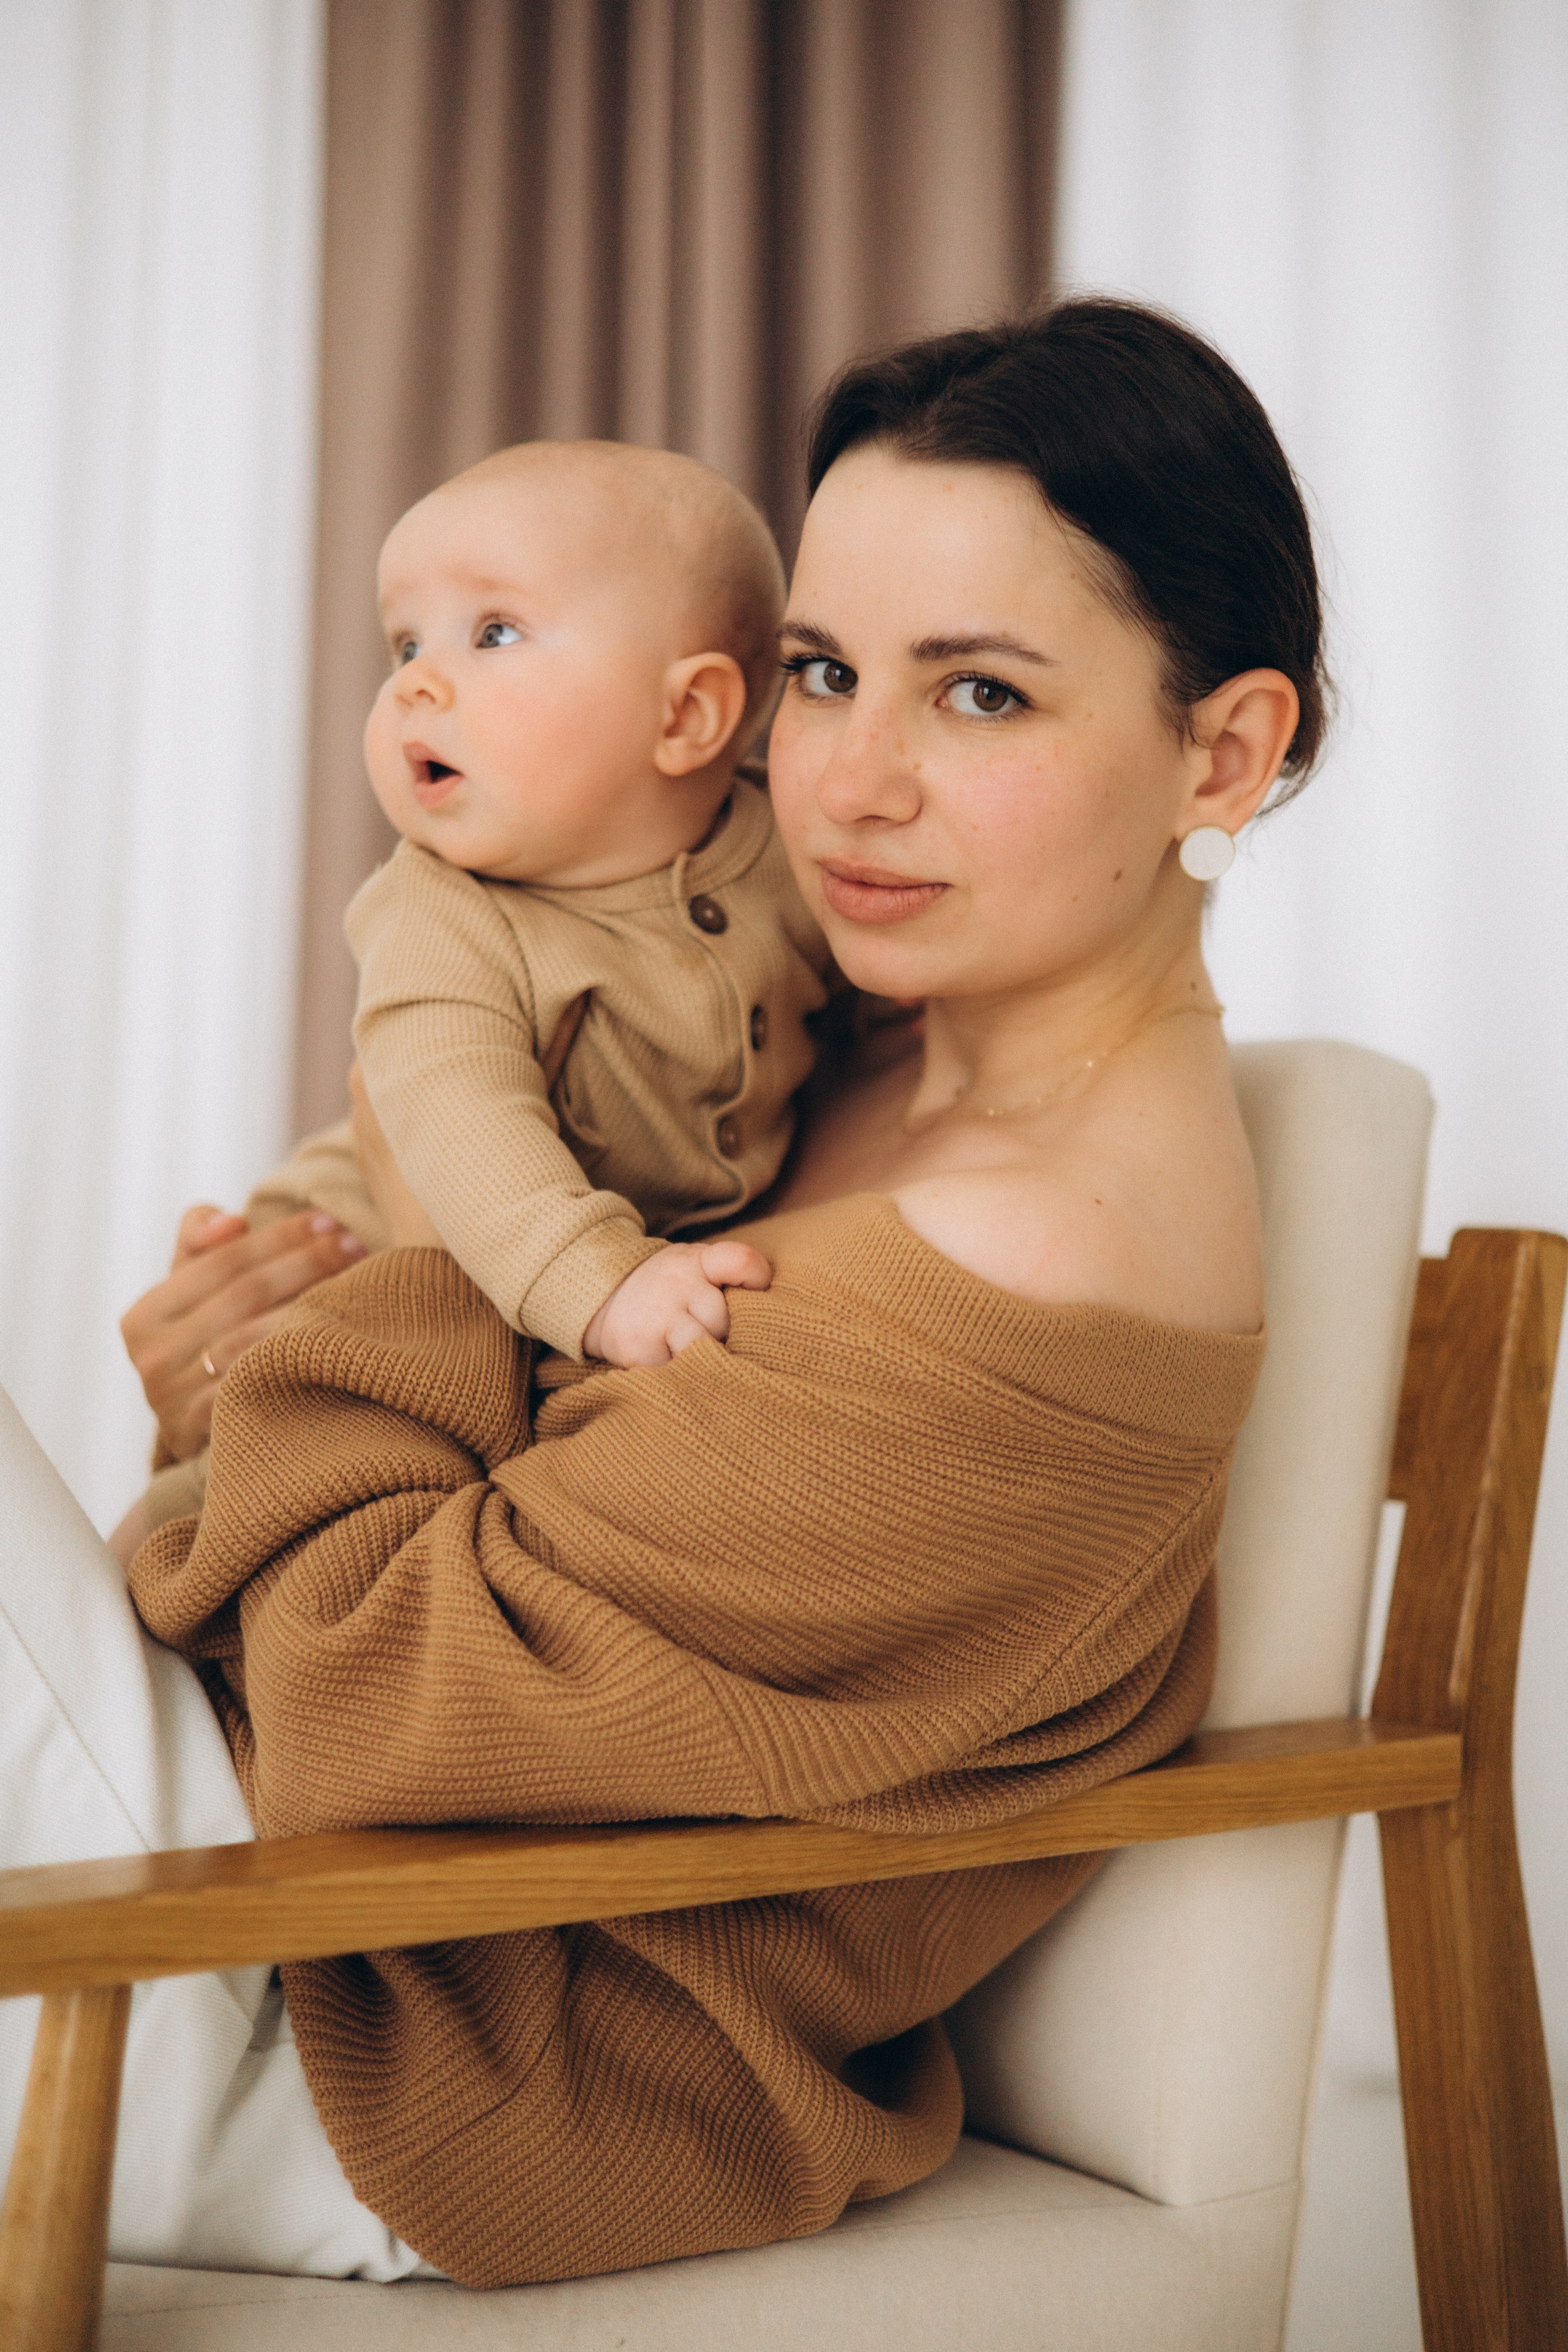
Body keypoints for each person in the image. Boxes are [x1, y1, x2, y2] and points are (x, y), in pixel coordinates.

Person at [3, 296, 1326, 2286]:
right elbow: (533, 1561)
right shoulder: (824, 1066)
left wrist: (417, 1223)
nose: (847, 784)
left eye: (979, 698)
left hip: (362, 2052)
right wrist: (268, 1350)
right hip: (265, 1904)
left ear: (1222, 748)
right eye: (822, 671)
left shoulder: (1040, 1243)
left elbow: (372, 1706)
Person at [114, 441, 833, 1554]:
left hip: (568, 1296)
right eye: (404, 643)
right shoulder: (438, 915)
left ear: (687, 717)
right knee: (235, 1492)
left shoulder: (782, 855)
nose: (416, 682)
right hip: (359, 1252)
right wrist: (602, 1284)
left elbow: (845, 1001)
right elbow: (460, 1129)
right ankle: (122, 1594)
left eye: (492, 633)